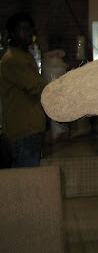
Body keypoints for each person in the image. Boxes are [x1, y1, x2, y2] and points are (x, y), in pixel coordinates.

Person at [0, 12, 47, 168]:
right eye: (22, 29)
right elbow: (36, 86)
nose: (28, 33)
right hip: (24, 133)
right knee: (26, 183)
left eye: (30, 28)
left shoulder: (24, 55)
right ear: (12, 33)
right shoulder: (13, 59)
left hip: (31, 131)